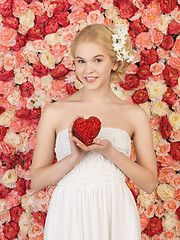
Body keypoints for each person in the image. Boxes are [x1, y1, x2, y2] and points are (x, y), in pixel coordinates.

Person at [31, 23, 157, 240]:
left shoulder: (134, 115)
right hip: (68, 212)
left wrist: (111, 153)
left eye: (97, 60)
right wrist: (74, 158)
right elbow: (37, 180)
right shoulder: (54, 112)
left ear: (114, 62)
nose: (88, 70)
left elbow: (149, 183)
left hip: (115, 212)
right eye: (81, 61)